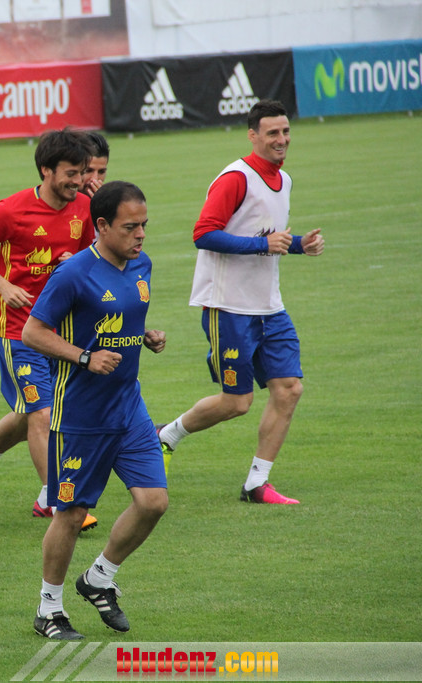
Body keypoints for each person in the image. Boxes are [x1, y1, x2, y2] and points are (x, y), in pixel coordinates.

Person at [156, 99, 324, 504]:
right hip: (229, 306)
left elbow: (266, 236)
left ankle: (256, 484)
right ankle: (166, 435)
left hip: (270, 307)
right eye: (272, 132)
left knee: (289, 389)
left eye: (286, 131)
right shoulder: (236, 178)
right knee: (237, 402)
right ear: (253, 135)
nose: (281, 139)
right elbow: (203, 234)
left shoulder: (284, 180)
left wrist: (298, 244)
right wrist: (264, 244)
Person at [21, 180, 168, 640]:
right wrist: (84, 357)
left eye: (144, 225)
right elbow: (32, 333)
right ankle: (49, 609)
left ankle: (99, 577)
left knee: (153, 502)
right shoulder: (73, 274)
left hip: (129, 408)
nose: (140, 235)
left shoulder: (142, 264)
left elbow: (120, 316)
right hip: (80, 417)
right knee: (71, 512)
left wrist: (145, 335)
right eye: (130, 227)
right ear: (101, 225)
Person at [0, 127, 101, 525]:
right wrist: (4, 285)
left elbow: (94, 255)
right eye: (71, 173)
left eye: (82, 172)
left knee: (34, 413)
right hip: (19, 331)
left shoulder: (84, 208)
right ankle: (54, 500)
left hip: (62, 332)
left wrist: (78, 264)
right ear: (46, 170)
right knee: (42, 415)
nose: (78, 180)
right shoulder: (11, 210)